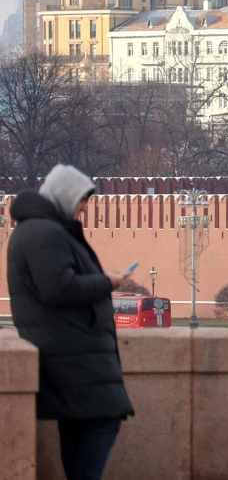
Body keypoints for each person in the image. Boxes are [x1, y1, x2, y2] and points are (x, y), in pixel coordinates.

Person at [7, 165, 135, 480]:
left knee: (82, 439)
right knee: (105, 420)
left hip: (71, 358)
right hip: (73, 359)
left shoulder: (40, 230)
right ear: (65, 197)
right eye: (81, 200)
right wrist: (109, 282)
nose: (83, 208)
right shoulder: (44, 233)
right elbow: (58, 288)